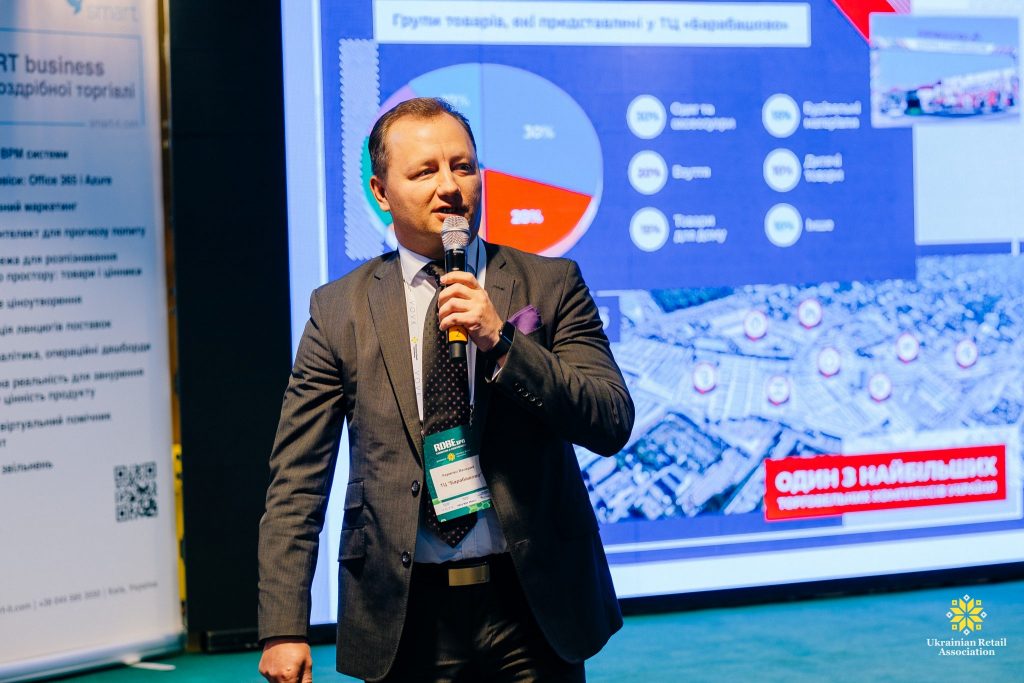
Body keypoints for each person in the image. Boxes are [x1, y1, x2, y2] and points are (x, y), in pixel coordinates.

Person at [257, 97, 634, 682]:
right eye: (424, 172)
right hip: (405, 609)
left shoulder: (551, 283)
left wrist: (503, 342)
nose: (450, 188)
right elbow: (297, 478)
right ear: (381, 193)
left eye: (463, 167)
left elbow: (609, 420)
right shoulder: (339, 310)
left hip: (532, 602)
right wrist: (284, 626)